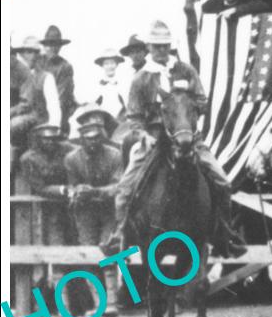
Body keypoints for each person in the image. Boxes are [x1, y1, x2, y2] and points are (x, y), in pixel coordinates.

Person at [103, 21, 247, 259]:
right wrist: (144, 135)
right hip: (155, 137)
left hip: (187, 136)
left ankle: (224, 234)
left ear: (170, 46)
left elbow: (202, 101)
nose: (161, 51)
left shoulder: (185, 70)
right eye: (157, 46)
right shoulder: (141, 78)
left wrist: (184, 105)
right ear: (149, 47)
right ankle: (120, 235)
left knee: (222, 181)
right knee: (126, 185)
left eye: (165, 46)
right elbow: (134, 117)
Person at [65, 113, 124, 317]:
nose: (93, 141)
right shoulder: (72, 159)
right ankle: (98, 301)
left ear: (103, 136)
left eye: (96, 137)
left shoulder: (114, 155)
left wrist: (98, 191)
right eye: (88, 137)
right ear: (81, 138)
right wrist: (79, 191)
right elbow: (72, 186)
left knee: (108, 248)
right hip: (85, 210)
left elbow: (119, 186)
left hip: (108, 208)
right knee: (87, 252)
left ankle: (112, 303)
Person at [19, 123, 75, 301]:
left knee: (75, 251)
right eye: (46, 139)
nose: (50, 142)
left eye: (53, 139)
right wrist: (62, 190)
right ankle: (52, 301)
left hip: (69, 208)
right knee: (48, 254)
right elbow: (39, 187)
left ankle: (76, 301)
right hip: (43, 211)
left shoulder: (67, 150)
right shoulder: (29, 159)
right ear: (39, 140)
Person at [11, 35, 62, 155]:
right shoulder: (13, 77)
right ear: (21, 54)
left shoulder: (46, 77)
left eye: (35, 52)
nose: (32, 56)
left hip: (39, 125)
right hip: (16, 128)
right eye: (28, 52)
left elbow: (54, 107)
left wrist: (54, 129)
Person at [41, 26, 77, 135]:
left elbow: (62, 98)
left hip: (58, 112)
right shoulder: (38, 62)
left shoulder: (65, 67)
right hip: (38, 110)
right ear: (45, 46)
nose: (52, 48)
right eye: (49, 44)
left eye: (56, 45)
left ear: (60, 47)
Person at [87, 48, 128, 120]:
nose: (110, 66)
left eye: (112, 63)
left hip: (121, 119)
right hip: (104, 120)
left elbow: (127, 104)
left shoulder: (123, 83)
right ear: (102, 66)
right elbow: (93, 105)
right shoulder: (98, 85)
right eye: (106, 64)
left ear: (117, 64)